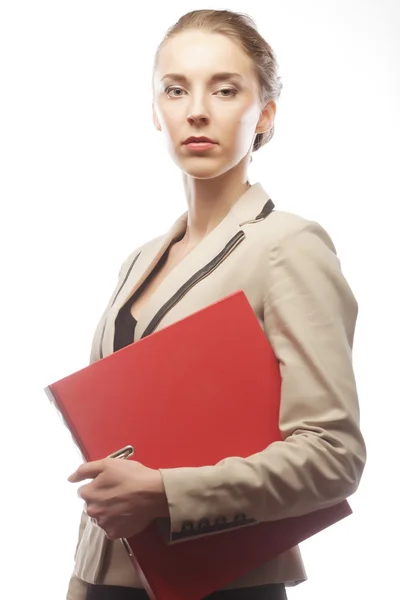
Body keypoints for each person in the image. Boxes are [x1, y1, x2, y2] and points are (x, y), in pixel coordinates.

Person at [65, 8, 366, 600]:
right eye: (175, 90)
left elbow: (334, 457)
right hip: (106, 580)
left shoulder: (288, 245)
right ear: (157, 111)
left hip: (224, 582)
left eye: (225, 89)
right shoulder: (140, 260)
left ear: (265, 115)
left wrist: (164, 493)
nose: (196, 109)